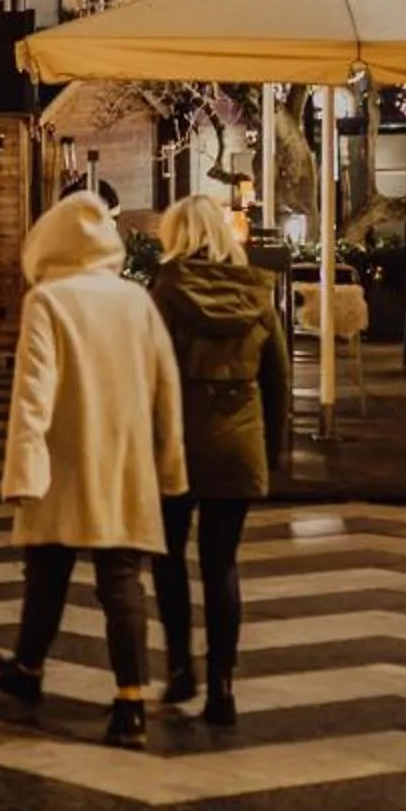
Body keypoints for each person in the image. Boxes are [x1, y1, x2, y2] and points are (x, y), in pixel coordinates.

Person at [0, 191, 187, 748]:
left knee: (47, 572)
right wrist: (170, 468)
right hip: (124, 459)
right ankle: (131, 702)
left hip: (63, 461)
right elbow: (167, 389)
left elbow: (33, 394)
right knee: (122, 582)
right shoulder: (135, 301)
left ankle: (28, 671)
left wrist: (23, 471)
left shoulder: (48, 301)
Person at [144, 194, 290, 728]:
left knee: (167, 557)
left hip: (177, 440)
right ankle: (223, 687)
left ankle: (181, 668)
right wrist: (268, 452)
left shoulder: (164, 291)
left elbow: (148, 370)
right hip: (237, 439)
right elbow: (278, 380)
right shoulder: (258, 293)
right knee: (221, 564)